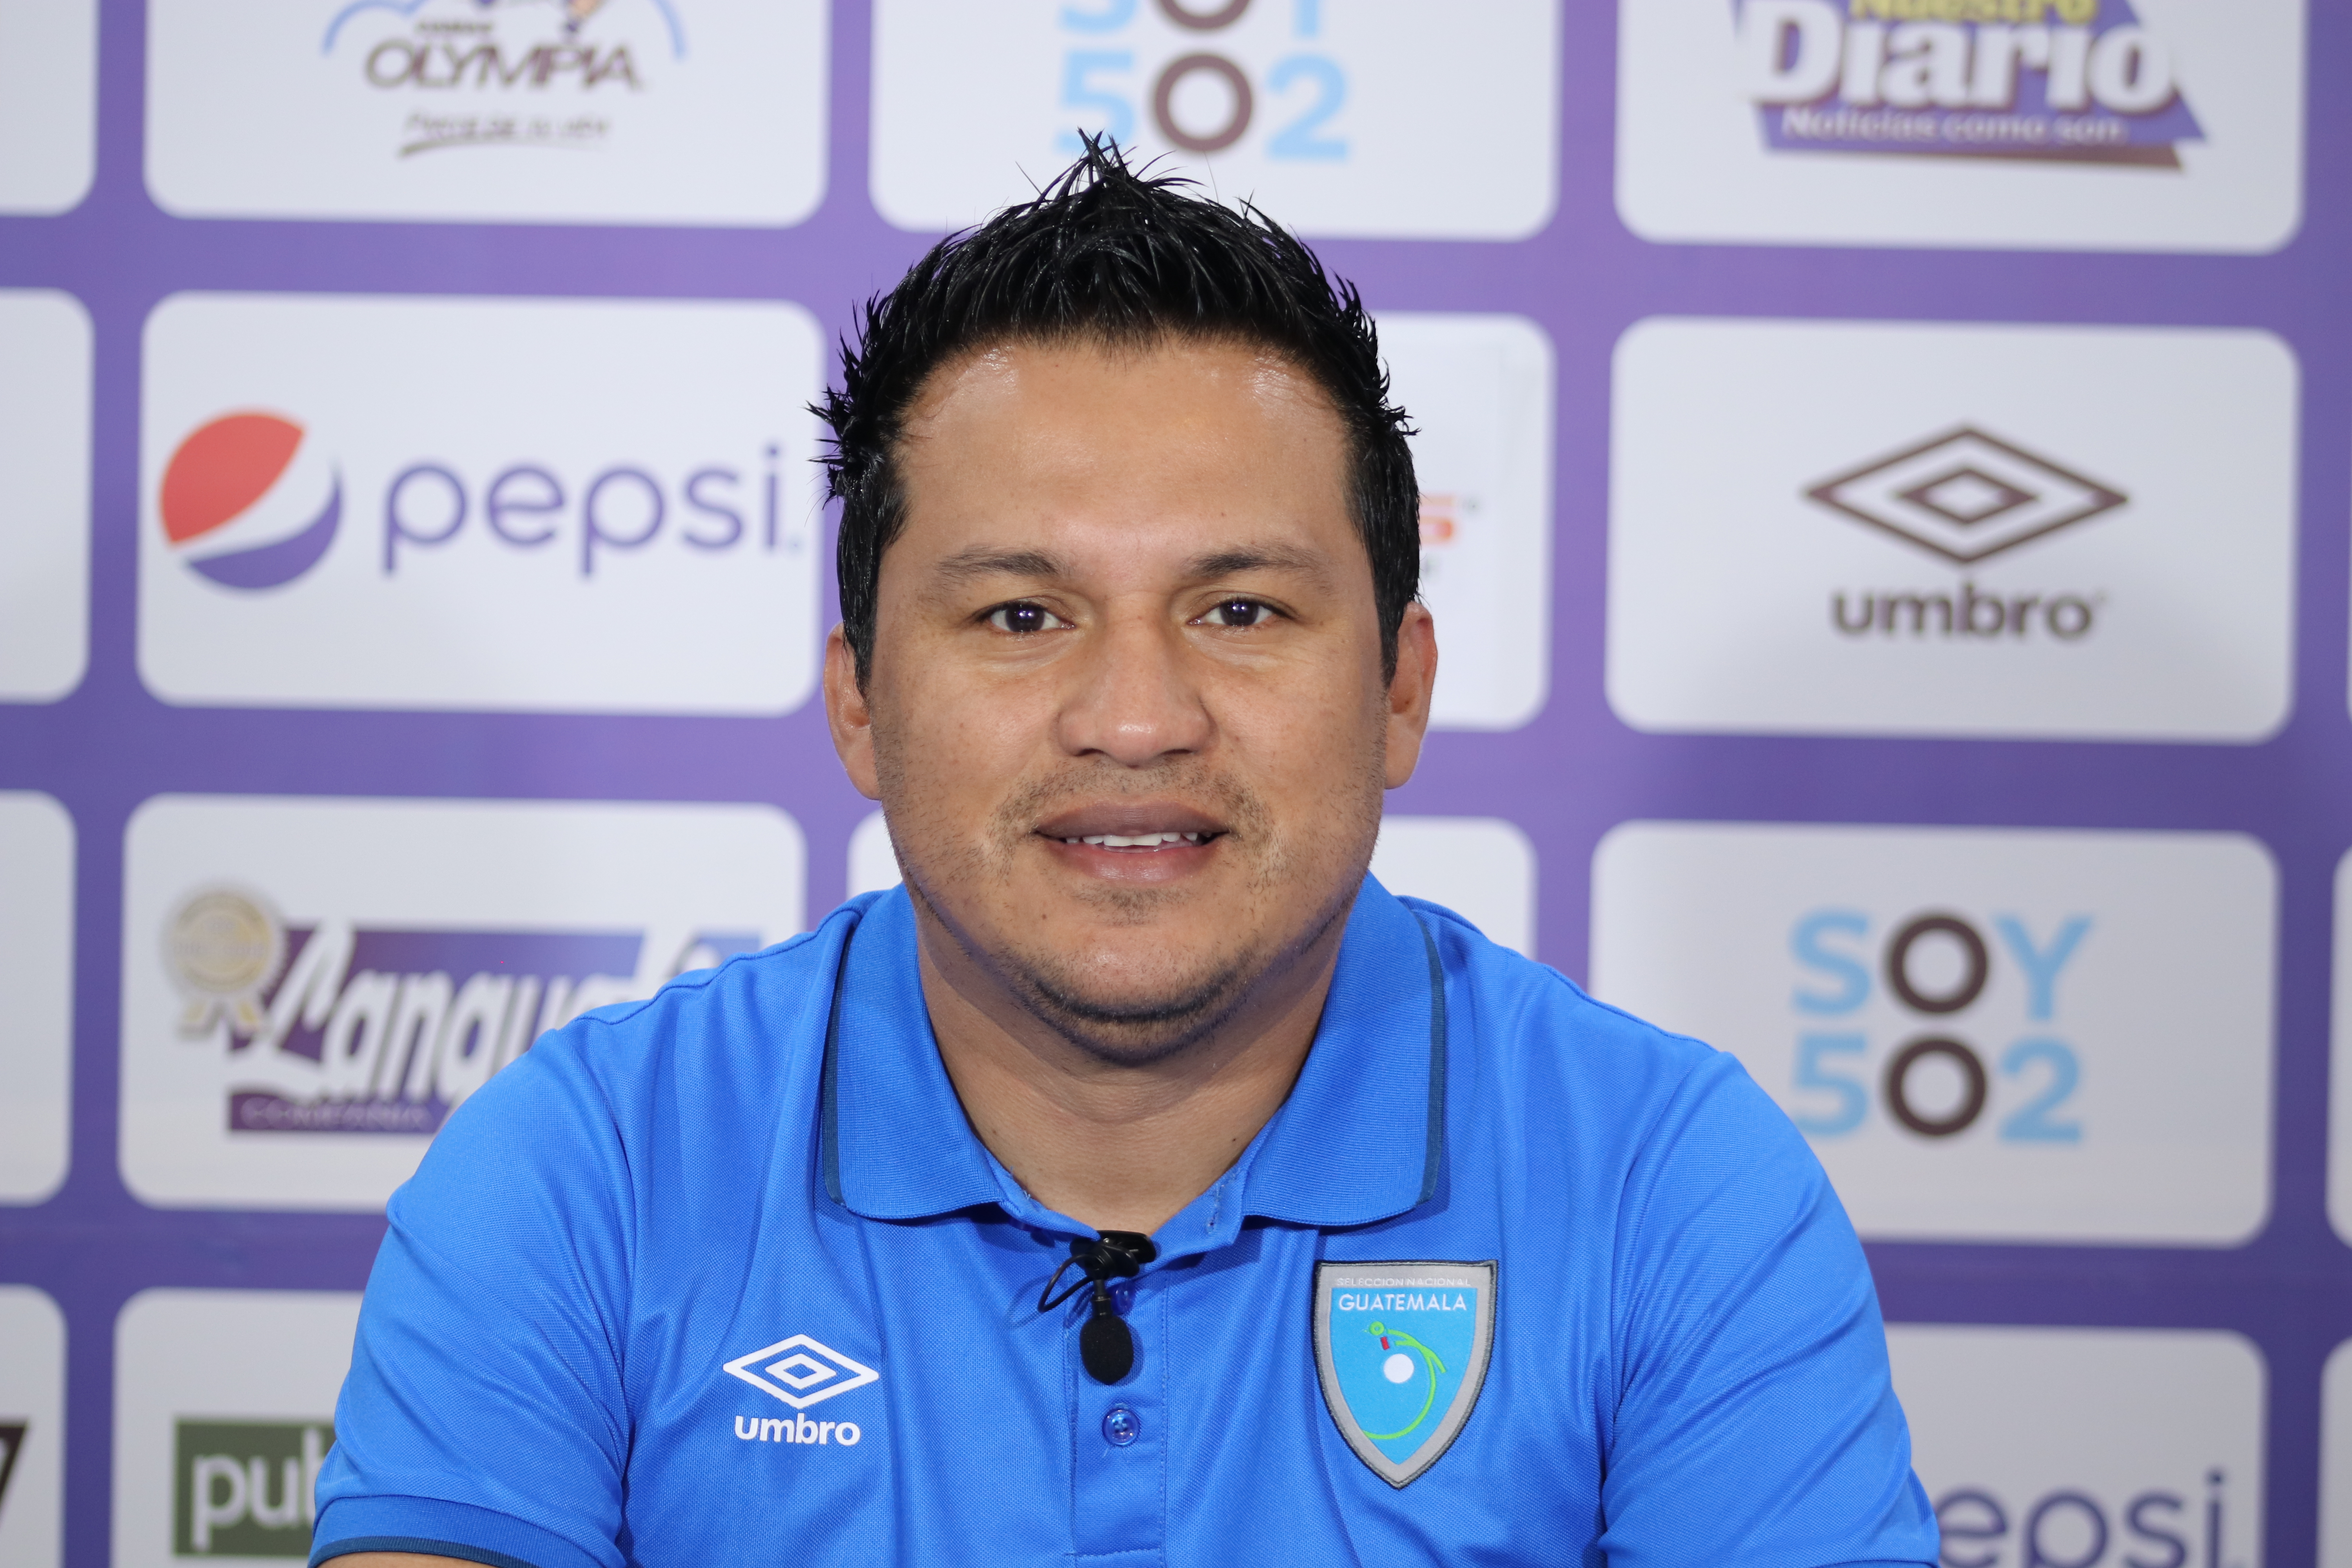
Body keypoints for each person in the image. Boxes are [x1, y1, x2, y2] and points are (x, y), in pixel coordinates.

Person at [312, 142, 1938, 1568]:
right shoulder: (586, 1170)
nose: (1138, 718)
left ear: (1400, 690)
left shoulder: (1671, 1184)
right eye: (1022, 615)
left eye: (1241, 611)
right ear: (861, 702)